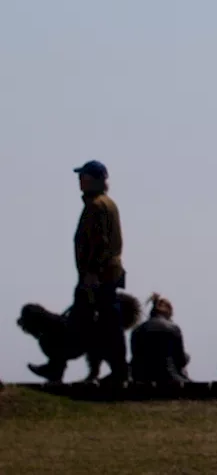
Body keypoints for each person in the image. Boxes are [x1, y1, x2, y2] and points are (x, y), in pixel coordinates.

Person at [69, 160, 128, 385]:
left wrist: (91, 273)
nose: (79, 181)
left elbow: (99, 242)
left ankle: (61, 364)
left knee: (87, 323)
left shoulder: (96, 206)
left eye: (83, 177)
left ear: (93, 179)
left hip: (98, 276)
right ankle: (114, 370)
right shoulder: (106, 203)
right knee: (105, 324)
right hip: (107, 273)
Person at [130, 294, 190, 385]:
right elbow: (180, 361)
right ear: (168, 312)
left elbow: (135, 356)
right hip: (168, 376)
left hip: (141, 377)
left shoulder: (136, 330)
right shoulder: (173, 328)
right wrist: (187, 357)